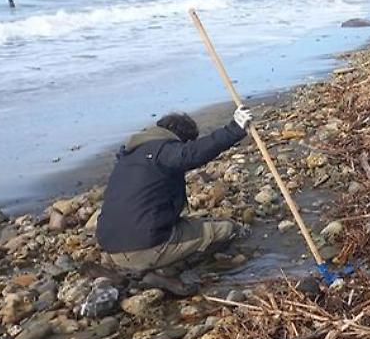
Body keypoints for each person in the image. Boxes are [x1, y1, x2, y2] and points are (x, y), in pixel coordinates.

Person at [97, 107, 253, 273]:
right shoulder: (164, 151)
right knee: (227, 230)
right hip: (144, 248)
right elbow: (191, 154)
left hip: (112, 247)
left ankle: (155, 263)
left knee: (193, 224)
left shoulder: (130, 156)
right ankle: (174, 268)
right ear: (181, 140)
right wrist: (235, 128)